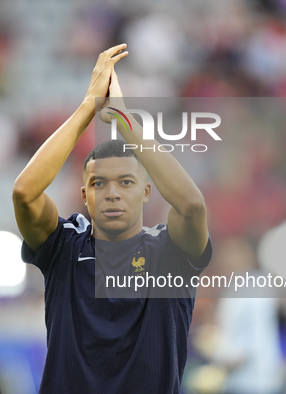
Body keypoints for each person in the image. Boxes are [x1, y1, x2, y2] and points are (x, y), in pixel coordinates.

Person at [12, 44, 212, 393]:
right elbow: (24, 193)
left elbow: (192, 207)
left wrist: (124, 119)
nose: (112, 192)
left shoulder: (171, 253)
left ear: (147, 191)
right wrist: (89, 106)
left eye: (126, 182)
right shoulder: (64, 248)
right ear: (84, 195)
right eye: (98, 183)